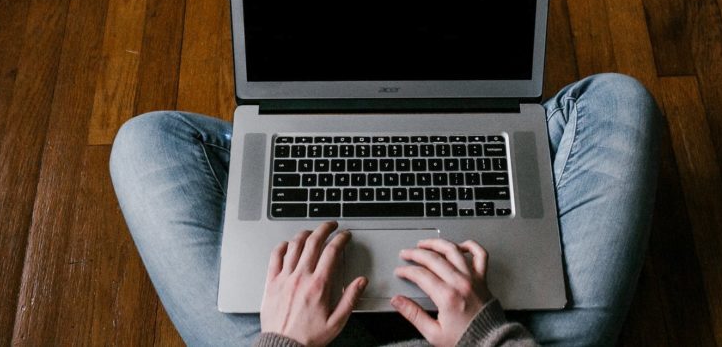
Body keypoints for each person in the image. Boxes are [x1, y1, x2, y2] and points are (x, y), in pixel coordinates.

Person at [110, 74, 661, 346]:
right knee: (617, 99)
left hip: (303, 339)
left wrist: (282, 341)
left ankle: (301, 130)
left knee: (144, 142)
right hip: (501, 333)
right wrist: (487, 335)